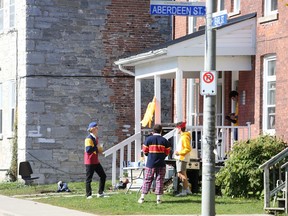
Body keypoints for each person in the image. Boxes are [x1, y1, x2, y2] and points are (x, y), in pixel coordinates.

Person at [138, 124, 171, 204]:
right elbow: (167, 152)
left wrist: (149, 155)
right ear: (161, 131)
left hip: (150, 163)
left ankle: (142, 198)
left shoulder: (148, 139)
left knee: (147, 180)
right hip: (161, 163)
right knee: (159, 180)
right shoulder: (164, 141)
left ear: (153, 131)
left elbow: (145, 151)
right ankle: (158, 199)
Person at [84, 121, 107, 199]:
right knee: (89, 179)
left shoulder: (96, 138)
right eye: (96, 128)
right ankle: (88, 195)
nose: (97, 129)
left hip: (95, 160)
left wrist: (100, 150)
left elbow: (95, 149)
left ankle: (100, 193)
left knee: (103, 176)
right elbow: (88, 150)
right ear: (92, 129)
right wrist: (97, 147)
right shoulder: (88, 139)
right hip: (89, 161)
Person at [174, 121, 192, 196]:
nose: (176, 130)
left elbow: (188, 148)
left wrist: (179, 153)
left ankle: (185, 190)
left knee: (180, 174)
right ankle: (187, 189)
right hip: (182, 157)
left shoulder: (184, 137)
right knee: (182, 173)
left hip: (182, 157)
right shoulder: (184, 136)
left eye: (177, 129)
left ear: (180, 129)